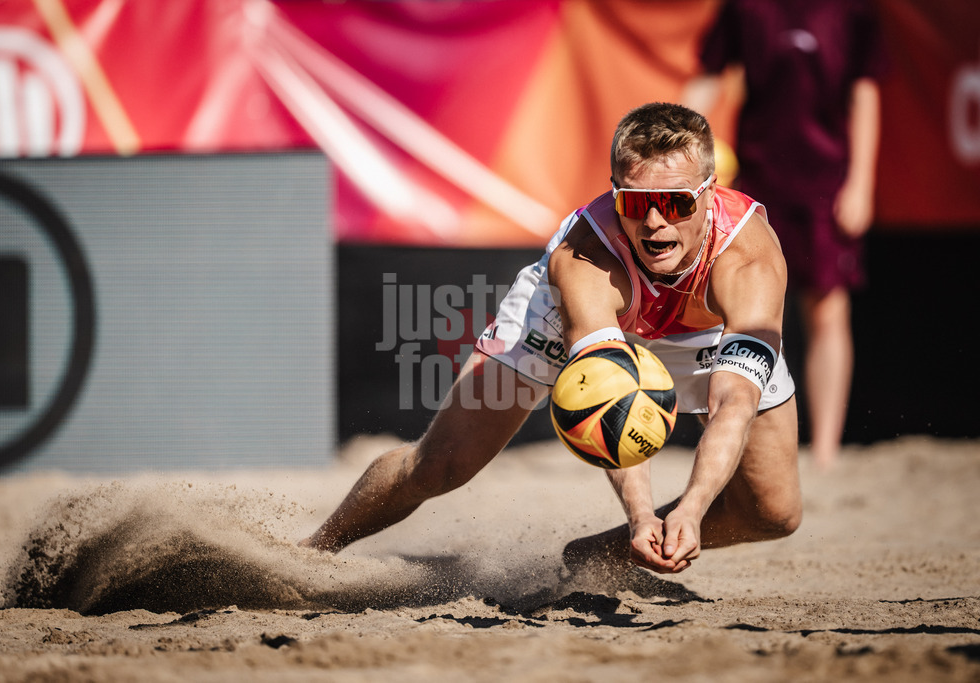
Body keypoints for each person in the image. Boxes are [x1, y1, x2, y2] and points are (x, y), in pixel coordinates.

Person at [301, 102, 801, 576]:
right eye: (634, 202)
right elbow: (607, 395)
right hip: (586, 317)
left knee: (772, 512)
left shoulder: (750, 261)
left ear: (710, 194)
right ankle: (312, 554)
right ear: (614, 191)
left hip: (703, 325)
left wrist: (691, 510)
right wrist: (640, 513)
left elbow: (733, 402)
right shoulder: (585, 257)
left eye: (674, 202)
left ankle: (592, 557)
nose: (654, 222)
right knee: (439, 466)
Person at [685, 0, 886, 471]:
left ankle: (826, 453)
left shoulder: (854, 10)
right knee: (740, 315)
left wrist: (861, 182)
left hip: (827, 183)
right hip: (757, 181)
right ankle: (740, 444)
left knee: (828, 311)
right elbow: (710, 76)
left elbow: (865, 92)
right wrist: (663, 138)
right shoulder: (744, 6)